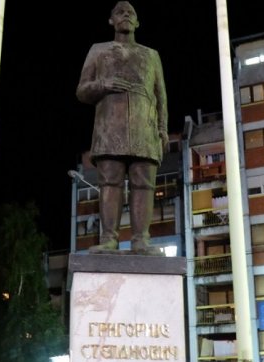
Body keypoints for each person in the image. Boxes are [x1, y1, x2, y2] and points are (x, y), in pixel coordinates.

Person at [76, 1, 168, 256]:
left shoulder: (151, 55)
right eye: (120, 12)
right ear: (111, 21)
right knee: (110, 183)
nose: (126, 15)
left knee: (144, 184)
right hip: (109, 130)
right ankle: (109, 239)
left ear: (137, 22)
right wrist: (103, 84)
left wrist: (162, 129)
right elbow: (82, 91)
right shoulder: (99, 51)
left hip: (144, 131)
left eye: (131, 13)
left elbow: (161, 96)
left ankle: (141, 240)